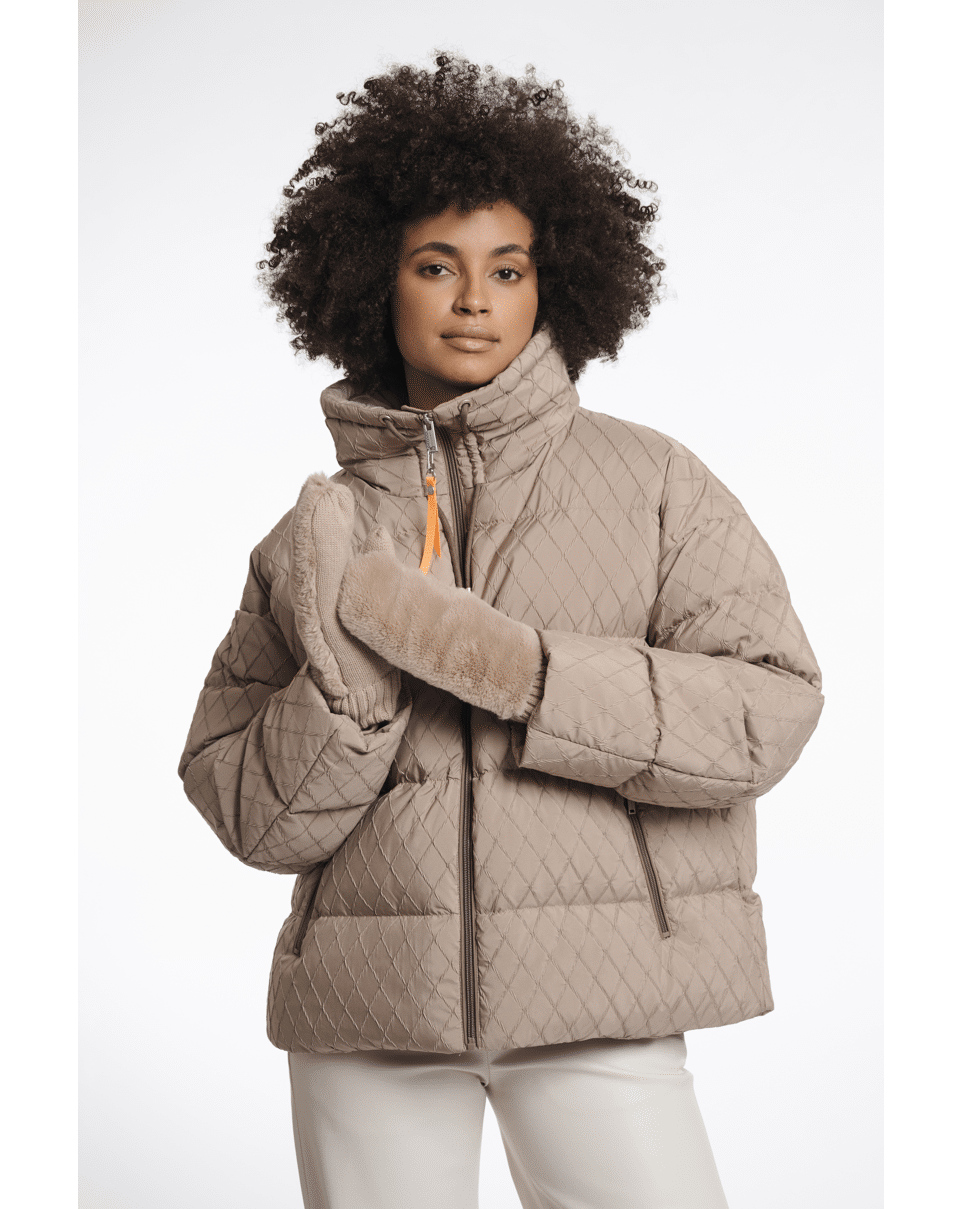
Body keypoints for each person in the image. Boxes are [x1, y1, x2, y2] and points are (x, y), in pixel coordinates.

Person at [179, 54, 824, 1209]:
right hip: (369, 1015)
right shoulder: (315, 537)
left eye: (507, 268)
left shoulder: (655, 485)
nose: (474, 299)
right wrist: (354, 696)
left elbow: (765, 713)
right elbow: (249, 812)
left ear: (552, 285)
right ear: (374, 283)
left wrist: (517, 672)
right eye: (437, 265)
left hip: (602, 1004)